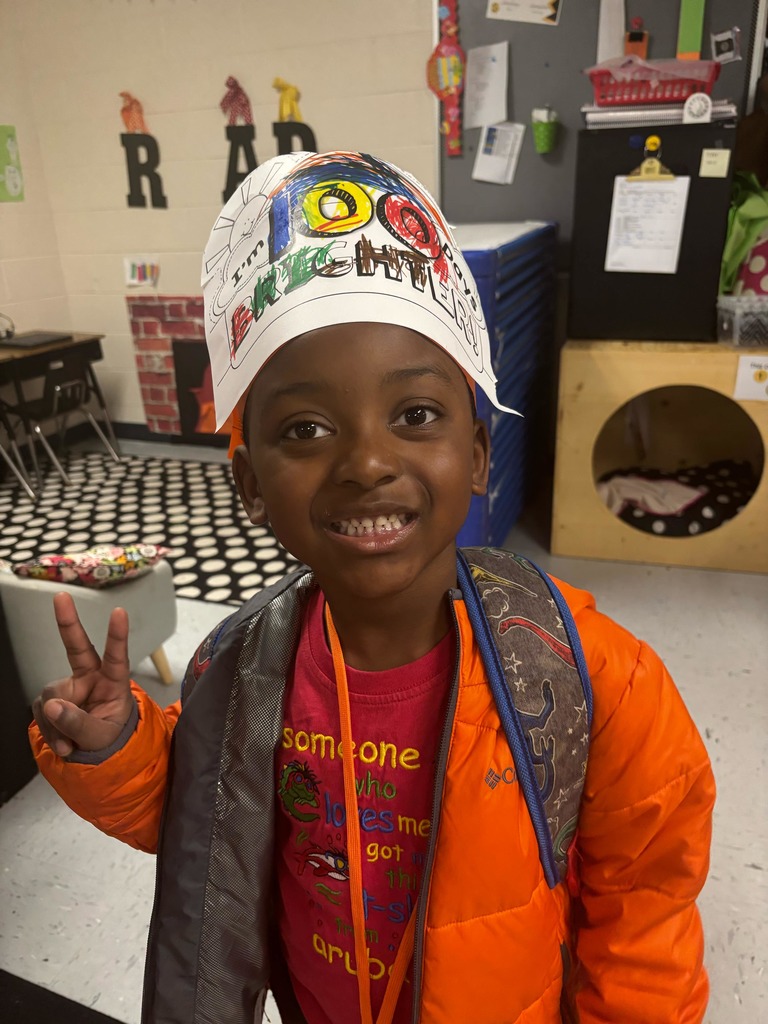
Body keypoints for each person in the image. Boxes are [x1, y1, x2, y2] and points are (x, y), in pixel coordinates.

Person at [30, 151, 715, 1024]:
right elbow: (205, 831)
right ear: (248, 486)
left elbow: (646, 914)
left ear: (475, 456)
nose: (366, 463)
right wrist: (117, 745)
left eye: (415, 415)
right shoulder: (240, 675)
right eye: (306, 428)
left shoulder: (601, 684)